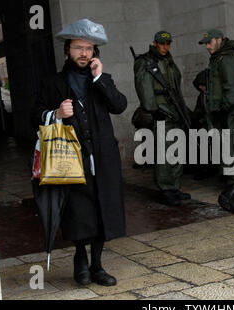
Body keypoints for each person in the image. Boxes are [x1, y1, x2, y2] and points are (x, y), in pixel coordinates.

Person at [32, 19, 127, 286]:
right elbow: (34, 115)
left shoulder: (101, 80)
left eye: (89, 48)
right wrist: (56, 114)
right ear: (67, 50)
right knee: (79, 212)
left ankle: (97, 265)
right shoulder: (53, 82)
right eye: (78, 48)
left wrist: (99, 78)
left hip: (103, 158)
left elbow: (119, 106)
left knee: (101, 210)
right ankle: (80, 259)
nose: (84, 53)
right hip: (71, 160)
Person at [133, 31, 191, 206]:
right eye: (162, 43)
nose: (165, 47)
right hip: (161, 111)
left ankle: (174, 187)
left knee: (176, 150)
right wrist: (152, 109)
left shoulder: (168, 61)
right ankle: (166, 189)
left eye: (168, 43)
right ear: (155, 43)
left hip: (174, 110)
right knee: (164, 153)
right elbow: (144, 87)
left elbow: (176, 88)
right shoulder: (145, 62)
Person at [198, 29, 234, 203]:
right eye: (206, 43)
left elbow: (231, 88)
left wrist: (224, 109)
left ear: (219, 40)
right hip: (222, 110)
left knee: (231, 147)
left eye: (209, 42)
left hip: (228, 111)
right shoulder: (219, 57)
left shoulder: (227, 57)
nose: (207, 46)